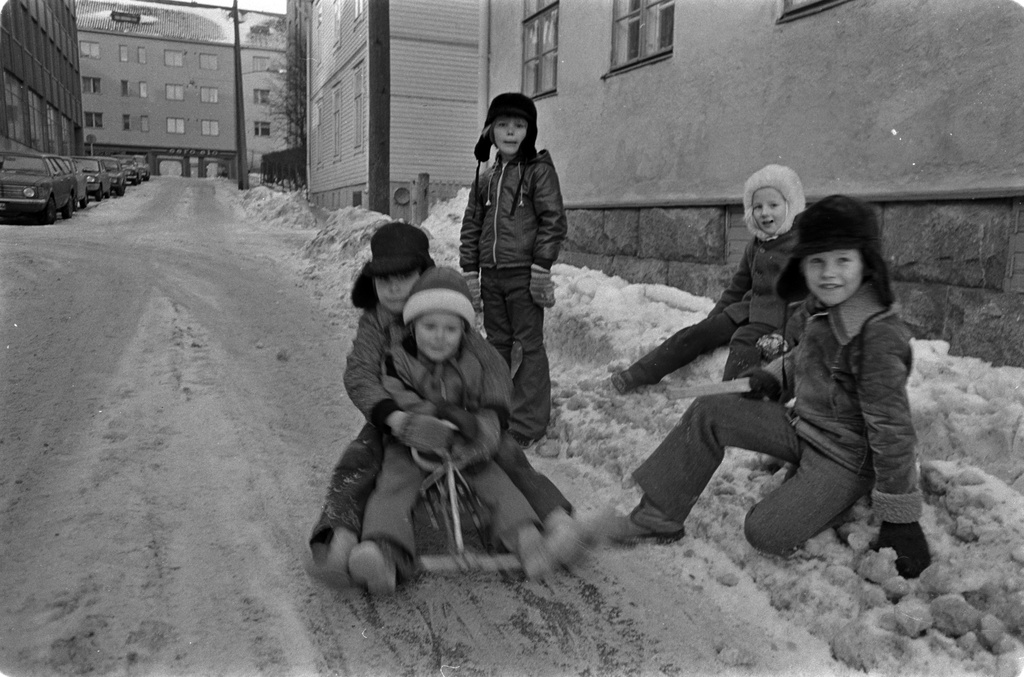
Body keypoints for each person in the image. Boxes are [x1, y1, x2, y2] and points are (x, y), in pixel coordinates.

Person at [605, 195, 932, 580]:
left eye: (843, 260)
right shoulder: (825, 312)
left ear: (866, 264)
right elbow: (801, 360)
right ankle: (658, 516)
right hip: (803, 428)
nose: (829, 273)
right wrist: (770, 378)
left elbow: (893, 430)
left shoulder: (876, 337)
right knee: (712, 410)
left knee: (764, 532)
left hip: (845, 459)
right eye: (817, 261)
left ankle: (838, 499)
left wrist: (901, 518)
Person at [306, 222, 584, 589]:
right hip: (395, 420)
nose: (391, 288)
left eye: (403, 277)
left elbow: (494, 371)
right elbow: (362, 375)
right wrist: (397, 419)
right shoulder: (376, 323)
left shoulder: (451, 314)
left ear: (424, 274)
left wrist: (488, 420)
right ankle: (343, 537)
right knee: (364, 462)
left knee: (504, 456)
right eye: (382, 279)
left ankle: (552, 521)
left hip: (465, 421)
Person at [348, 267, 561, 593]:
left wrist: (475, 425)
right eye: (429, 326)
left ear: (464, 331)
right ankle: (384, 550)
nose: (439, 336)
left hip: (463, 442)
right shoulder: (397, 359)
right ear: (412, 326)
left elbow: (484, 398)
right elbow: (396, 393)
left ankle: (523, 535)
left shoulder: (473, 363)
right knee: (394, 484)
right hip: (412, 442)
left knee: (493, 479)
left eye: (450, 329)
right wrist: (425, 418)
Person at [611, 164, 806, 394]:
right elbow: (737, 288)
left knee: (743, 343)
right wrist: (712, 323)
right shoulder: (755, 244)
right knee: (694, 334)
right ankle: (637, 373)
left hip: (776, 321)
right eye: (757, 206)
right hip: (744, 312)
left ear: (790, 206)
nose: (765, 213)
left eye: (773, 205)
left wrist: (787, 335)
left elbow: (807, 303)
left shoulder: (801, 247)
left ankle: (729, 403)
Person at [460, 92, 567, 448]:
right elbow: (471, 226)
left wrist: (541, 267)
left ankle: (528, 422)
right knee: (498, 345)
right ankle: (499, 411)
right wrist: (469, 272)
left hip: (523, 273)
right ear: (490, 131)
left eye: (518, 125)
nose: (510, 132)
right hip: (491, 275)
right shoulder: (485, 178)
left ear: (529, 130)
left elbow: (554, 220)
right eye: (503, 125)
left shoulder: (538, 171)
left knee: (530, 345)